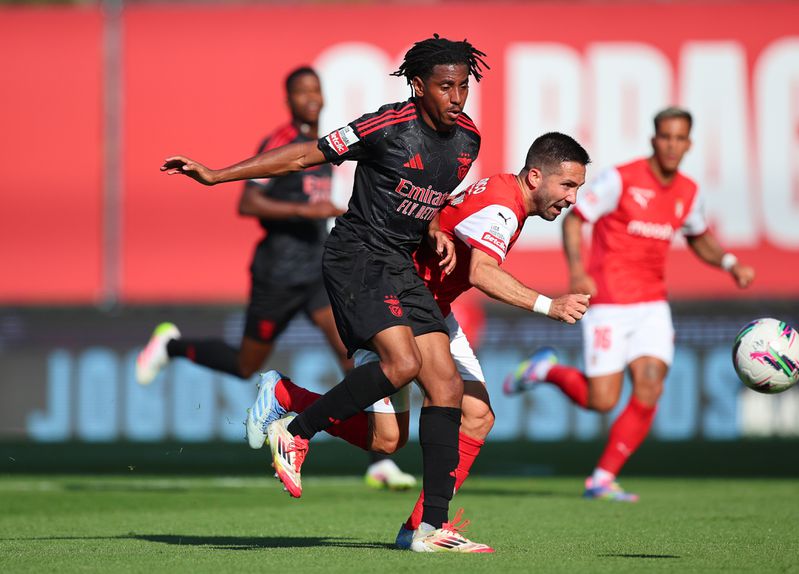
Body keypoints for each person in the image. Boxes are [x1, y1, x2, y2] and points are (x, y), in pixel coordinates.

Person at [161, 35, 493, 553]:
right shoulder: (387, 126)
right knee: (403, 364)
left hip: (402, 265)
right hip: (357, 257)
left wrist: (433, 230)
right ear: (417, 85)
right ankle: (297, 431)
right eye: (446, 86)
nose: (457, 97)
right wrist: (218, 174)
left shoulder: (468, 139)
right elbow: (301, 157)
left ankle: (429, 528)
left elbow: (424, 198)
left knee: (445, 390)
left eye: (463, 86)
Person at [260, 132, 591, 550]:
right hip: (394, 302)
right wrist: (550, 306)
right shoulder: (504, 209)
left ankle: (421, 526)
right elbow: (482, 274)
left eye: (577, 188)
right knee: (408, 422)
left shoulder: (507, 192)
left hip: (432, 308)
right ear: (535, 176)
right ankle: (292, 409)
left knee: (466, 418)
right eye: (567, 185)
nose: (572, 198)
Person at [137, 66, 415, 490]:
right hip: (279, 270)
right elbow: (249, 203)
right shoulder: (283, 142)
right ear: (288, 101)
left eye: (315, 91)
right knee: (246, 363)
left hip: (319, 270)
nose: (310, 99)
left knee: (357, 356)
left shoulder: (326, 145)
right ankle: (171, 344)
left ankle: (379, 460)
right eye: (301, 92)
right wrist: (308, 212)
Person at [504, 107, 756, 501]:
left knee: (651, 385)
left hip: (652, 304)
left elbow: (699, 236)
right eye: (665, 137)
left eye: (679, 138)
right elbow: (575, 220)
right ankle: (546, 370)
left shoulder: (688, 192)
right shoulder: (622, 179)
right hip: (609, 301)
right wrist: (577, 273)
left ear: (689, 143)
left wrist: (729, 262)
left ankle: (602, 478)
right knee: (600, 399)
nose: (672, 145)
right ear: (654, 139)